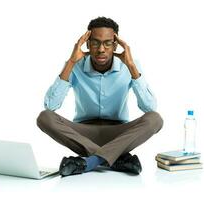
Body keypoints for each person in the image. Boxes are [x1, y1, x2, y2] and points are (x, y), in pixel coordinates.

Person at [37, 17, 163, 177]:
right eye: (95, 42)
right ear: (87, 44)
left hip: (119, 133)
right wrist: (70, 62)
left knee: (155, 119)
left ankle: (90, 162)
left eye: (107, 43)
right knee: (44, 118)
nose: (101, 49)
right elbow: (50, 105)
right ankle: (115, 158)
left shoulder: (130, 65)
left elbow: (150, 108)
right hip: (83, 134)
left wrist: (131, 67)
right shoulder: (75, 65)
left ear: (115, 45)